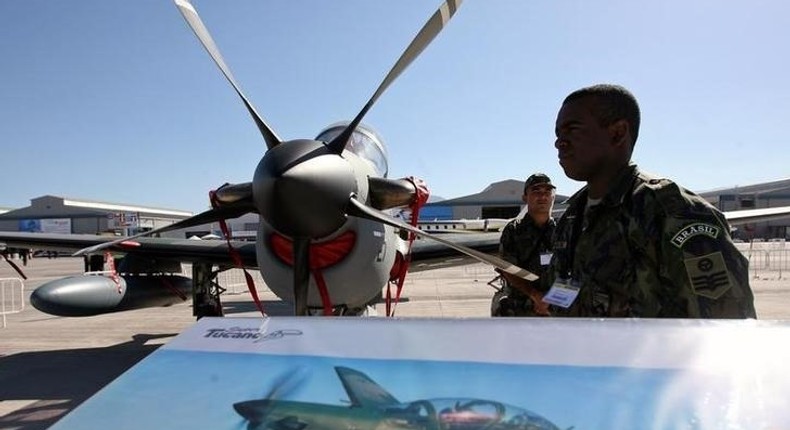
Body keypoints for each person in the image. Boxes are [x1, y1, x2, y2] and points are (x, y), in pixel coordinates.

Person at [504, 84, 755, 318]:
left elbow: (725, 325)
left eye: (573, 129)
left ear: (617, 133)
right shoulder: (573, 215)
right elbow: (564, 287)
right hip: (581, 360)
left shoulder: (671, 212)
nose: (559, 142)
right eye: (558, 134)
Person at [491, 173, 556, 316]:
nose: (542, 196)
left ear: (553, 197)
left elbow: (573, 270)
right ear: (525, 198)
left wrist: (553, 300)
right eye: (536, 192)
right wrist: (535, 295)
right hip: (521, 309)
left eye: (547, 192)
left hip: (554, 310)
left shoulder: (563, 230)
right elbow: (508, 269)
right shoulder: (514, 230)